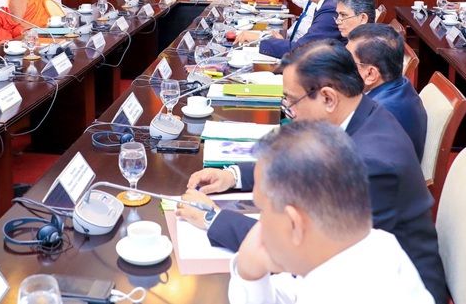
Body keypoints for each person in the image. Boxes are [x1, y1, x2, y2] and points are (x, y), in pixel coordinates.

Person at [180, 40, 447, 304]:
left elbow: (305, 244)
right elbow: (305, 162)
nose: (290, 112)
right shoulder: (362, 116)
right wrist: (234, 175)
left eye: (292, 101)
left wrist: (213, 218)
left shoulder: (373, 164)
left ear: (328, 98)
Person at [226, 120, 433, 304]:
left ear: (293, 224)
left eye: (262, 210)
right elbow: (292, 293)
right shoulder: (377, 246)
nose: (261, 222)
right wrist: (250, 274)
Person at [347, 23, 427, 160]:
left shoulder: (377, 116)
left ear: (370, 74)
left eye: (347, 61)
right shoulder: (400, 83)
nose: (340, 66)